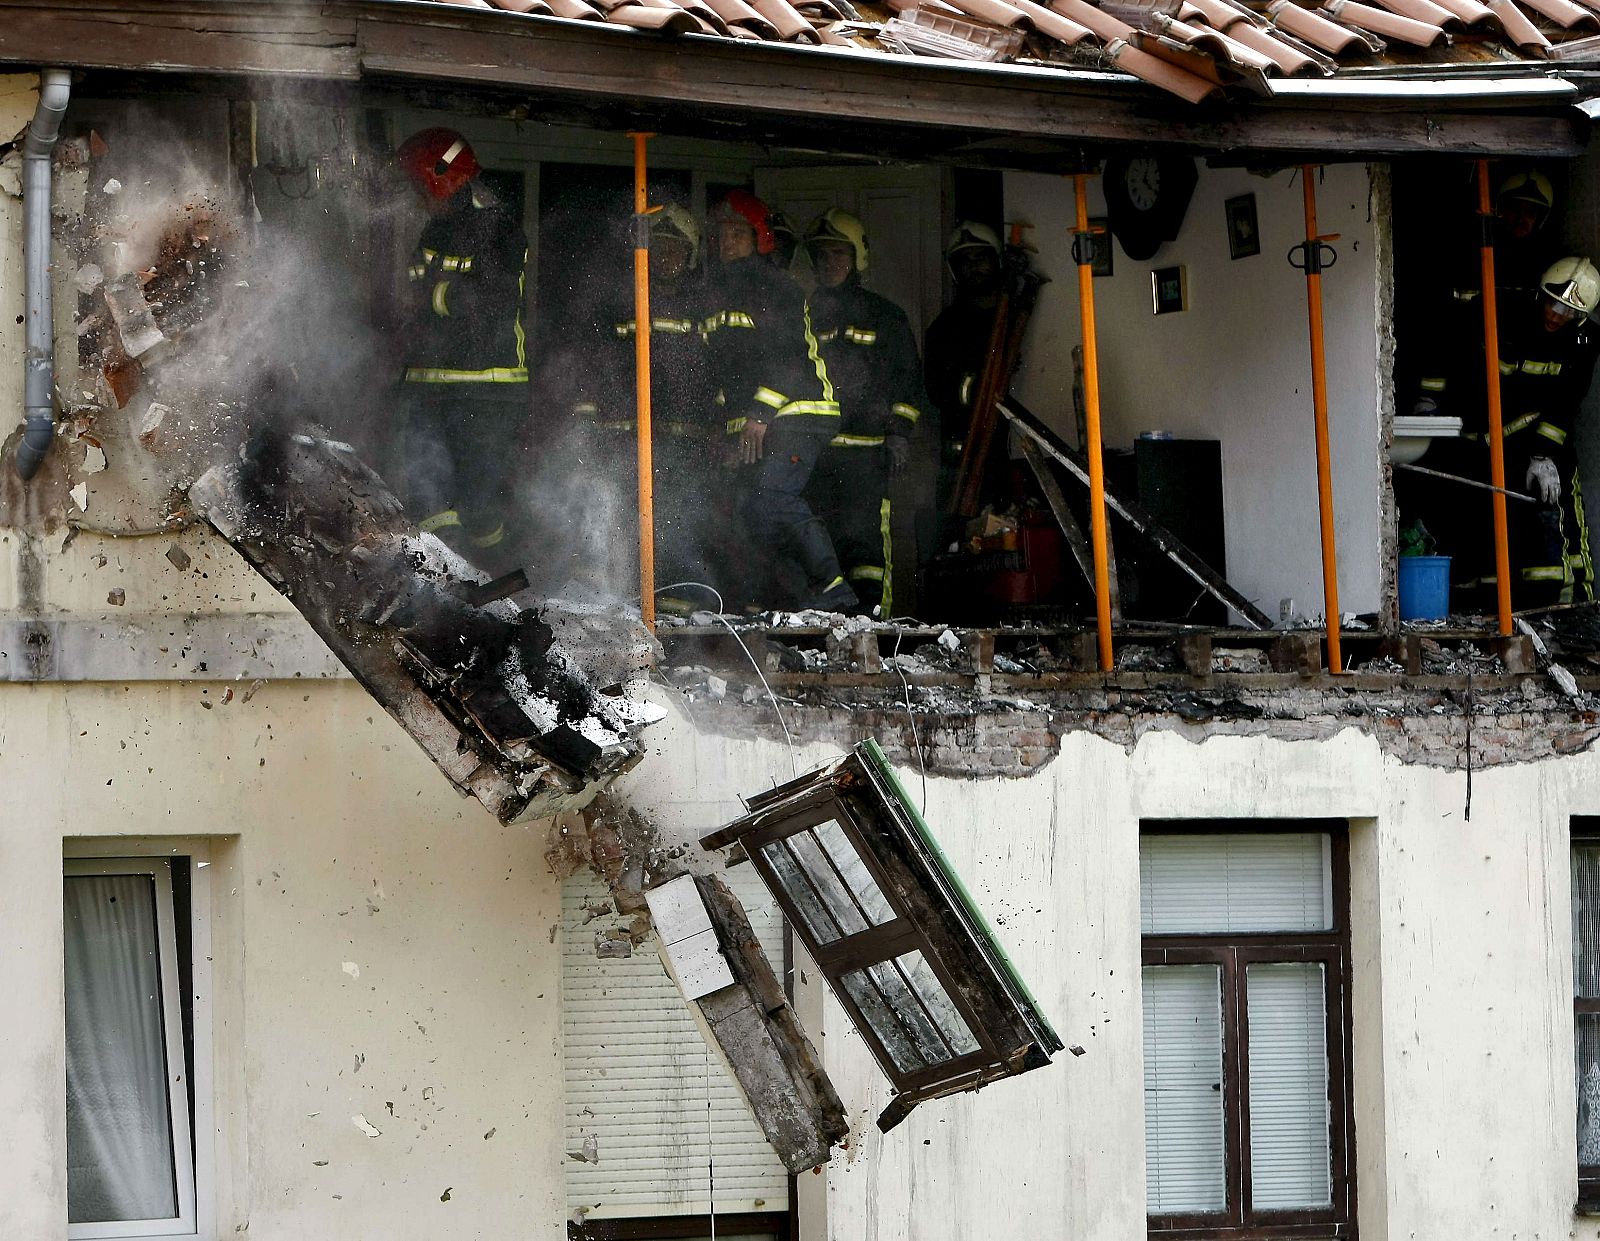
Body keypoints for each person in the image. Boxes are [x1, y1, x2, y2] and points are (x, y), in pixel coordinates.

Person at [703, 190, 855, 612]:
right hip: (763, 418)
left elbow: (786, 356)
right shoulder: (718, 290)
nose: (727, 242)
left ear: (760, 238)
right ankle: (795, 601)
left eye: (738, 234)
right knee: (752, 512)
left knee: (771, 496)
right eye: (722, 235)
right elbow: (723, 370)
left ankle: (833, 588)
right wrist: (726, 428)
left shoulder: (773, 285)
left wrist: (758, 414)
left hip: (800, 412)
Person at [394, 128, 529, 565]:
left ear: (442, 177)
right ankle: (446, 581)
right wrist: (438, 295)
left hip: (485, 390)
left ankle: (495, 580)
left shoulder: (500, 229)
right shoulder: (434, 230)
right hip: (430, 385)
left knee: (477, 502)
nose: (419, 199)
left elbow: (488, 303)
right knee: (428, 492)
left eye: (421, 187)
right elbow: (416, 291)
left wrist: (435, 295)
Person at [570, 204, 716, 602]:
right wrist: (587, 419)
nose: (665, 257)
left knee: (676, 522)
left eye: (675, 249)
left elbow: (715, 371)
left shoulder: (702, 307)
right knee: (619, 518)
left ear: (690, 256)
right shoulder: (620, 301)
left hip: (682, 440)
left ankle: (678, 606)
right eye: (658, 247)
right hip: (623, 435)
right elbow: (592, 363)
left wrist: (716, 428)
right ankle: (619, 601)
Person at [1446, 256, 1600, 609]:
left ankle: (1573, 612)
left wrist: (1544, 455)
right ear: (1540, 295)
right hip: (1485, 446)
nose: (1556, 316)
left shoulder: (1584, 341)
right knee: (1485, 539)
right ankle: (1490, 613)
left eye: (1568, 311)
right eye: (1553, 304)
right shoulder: (1503, 313)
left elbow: (1567, 402)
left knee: (1555, 527)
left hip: (1541, 447)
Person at [801, 208, 926, 617]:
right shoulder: (804, 315)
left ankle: (871, 629)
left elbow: (908, 379)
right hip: (815, 456)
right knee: (819, 548)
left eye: (839, 253)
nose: (830, 263)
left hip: (865, 455)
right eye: (822, 255)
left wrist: (899, 432)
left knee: (866, 548)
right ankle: (822, 634)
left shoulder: (885, 316)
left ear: (857, 258)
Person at [923, 221, 1008, 535]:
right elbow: (935, 393)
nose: (973, 267)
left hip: (1010, 458)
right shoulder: (943, 329)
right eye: (965, 261)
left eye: (980, 257)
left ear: (996, 260)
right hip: (961, 462)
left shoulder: (1015, 319)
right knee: (958, 541)